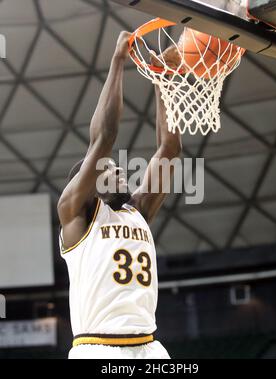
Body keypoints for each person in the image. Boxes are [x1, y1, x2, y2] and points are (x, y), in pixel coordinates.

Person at [57, 31, 182, 359]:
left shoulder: (137, 210)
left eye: (116, 167)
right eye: (107, 170)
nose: (118, 170)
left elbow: (169, 149)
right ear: (88, 186)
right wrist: (118, 60)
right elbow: (105, 137)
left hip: (149, 347)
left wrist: (162, 80)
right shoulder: (76, 216)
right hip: (98, 349)